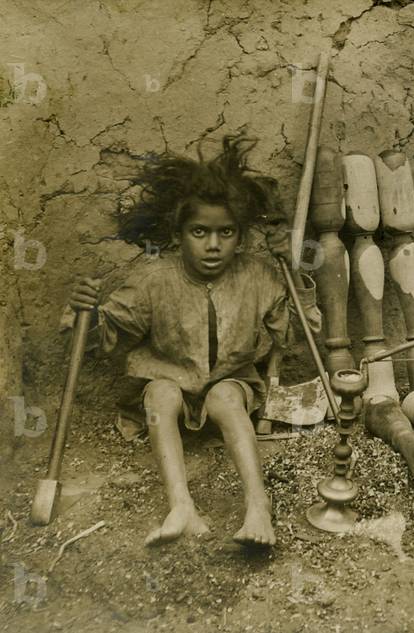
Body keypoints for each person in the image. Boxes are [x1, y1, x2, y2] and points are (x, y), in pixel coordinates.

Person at [67, 135, 320, 546]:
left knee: (225, 397)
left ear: (240, 237)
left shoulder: (256, 274)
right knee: (160, 394)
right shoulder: (154, 278)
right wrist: (87, 315)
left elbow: (298, 328)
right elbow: (107, 336)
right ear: (179, 233)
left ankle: (258, 506)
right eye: (200, 232)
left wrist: (288, 267)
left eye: (227, 233)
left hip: (229, 385)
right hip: (170, 387)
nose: (214, 245)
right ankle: (181, 506)